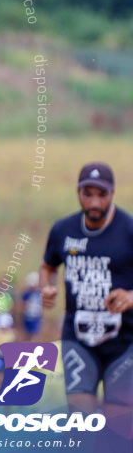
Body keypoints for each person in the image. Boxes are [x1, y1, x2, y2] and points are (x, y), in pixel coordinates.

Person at [40, 162, 133, 416]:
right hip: (78, 337)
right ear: (77, 193)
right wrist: (47, 287)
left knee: (120, 420)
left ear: (112, 193)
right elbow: (48, 266)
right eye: (87, 194)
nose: (94, 203)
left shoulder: (129, 230)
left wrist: (131, 297)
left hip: (124, 340)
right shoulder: (63, 230)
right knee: (80, 418)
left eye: (101, 195)